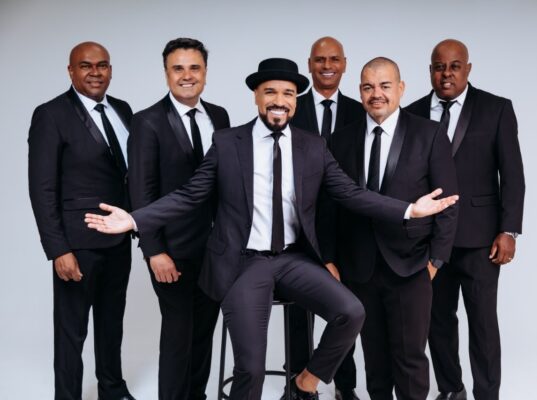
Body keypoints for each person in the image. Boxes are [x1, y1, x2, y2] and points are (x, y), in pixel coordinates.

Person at [85, 58, 458, 400]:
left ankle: (304, 383)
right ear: (256, 97)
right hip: (244, 263)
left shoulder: (313, 146)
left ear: (295, 101)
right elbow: (190, 194)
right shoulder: (228, 143)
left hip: (294, 260)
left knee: (351, 312)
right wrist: (135, 219)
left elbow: (351, 193)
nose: (279, 101)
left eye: (288, 94)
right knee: (251, 370)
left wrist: (409, 209)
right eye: (271, 92)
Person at [329, 57, 458, 400]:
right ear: (359, 91)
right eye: (368, 87)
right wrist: (330, 258)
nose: (377, 94)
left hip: (412, 265)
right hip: (359, 267)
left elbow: (448, 203)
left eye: (385, 86)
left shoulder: (429, 134)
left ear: (400, 88)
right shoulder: (340, 140)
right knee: (374, 359)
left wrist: (436, 261)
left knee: (410, 357)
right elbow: (330, 206)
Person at [406, 39, 525, 400]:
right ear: (430, 71)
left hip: (481, 239)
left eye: (454, 66)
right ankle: (451, 390)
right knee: (437, 321)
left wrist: (508, 230)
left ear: (468, 69)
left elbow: (512, 175)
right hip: (429, 240)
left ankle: (487, 394)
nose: (447, 74)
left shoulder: (496, 109)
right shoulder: (411, 113)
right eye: (439, 67)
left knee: (483, 323)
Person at [28, 42, 135, 400]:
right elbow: (42, 188)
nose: (95, 72)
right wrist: (58, 249)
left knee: (111, 323)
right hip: (77, 244)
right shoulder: (51, 114)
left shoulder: (122, 109)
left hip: (119, 238)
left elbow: (126, 174)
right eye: (86, 66)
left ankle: (112, 390)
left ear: (110, 70)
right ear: (71, 70)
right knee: (71, 331)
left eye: (102, 65)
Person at [128, 37, 230, 400]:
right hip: (171, 250)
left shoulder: (219, 116)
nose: (187, 76)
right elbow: (141, 192)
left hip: (214, 250)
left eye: (194, 68)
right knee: (178, 334)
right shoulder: (147, 122)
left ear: (205, 72)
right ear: (166, 73)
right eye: (178, 68)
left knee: (203, 333)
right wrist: (154, 251)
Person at [288, 36, 365, 400]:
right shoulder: (291, 106)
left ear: (345, 64)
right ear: (309, 64)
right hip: (297, 227)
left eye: (334, 59)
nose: (327, 66)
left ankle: (344, 386)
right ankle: (299, 384)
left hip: (348, 228)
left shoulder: (360, 110)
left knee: (345, 308)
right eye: (320, 59)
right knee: (297, 314)